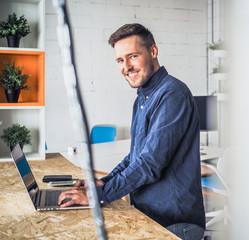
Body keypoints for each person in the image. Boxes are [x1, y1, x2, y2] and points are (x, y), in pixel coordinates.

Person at [58, 23, 205, 240]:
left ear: (153, 51)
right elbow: (135, 156)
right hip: (148, 217)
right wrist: (104, 182)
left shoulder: (173, 94)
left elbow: (150, 163)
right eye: (120, 60)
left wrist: (98, 196)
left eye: (133, 56)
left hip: (174, 224)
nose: (126, 66)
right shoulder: (143, 98)